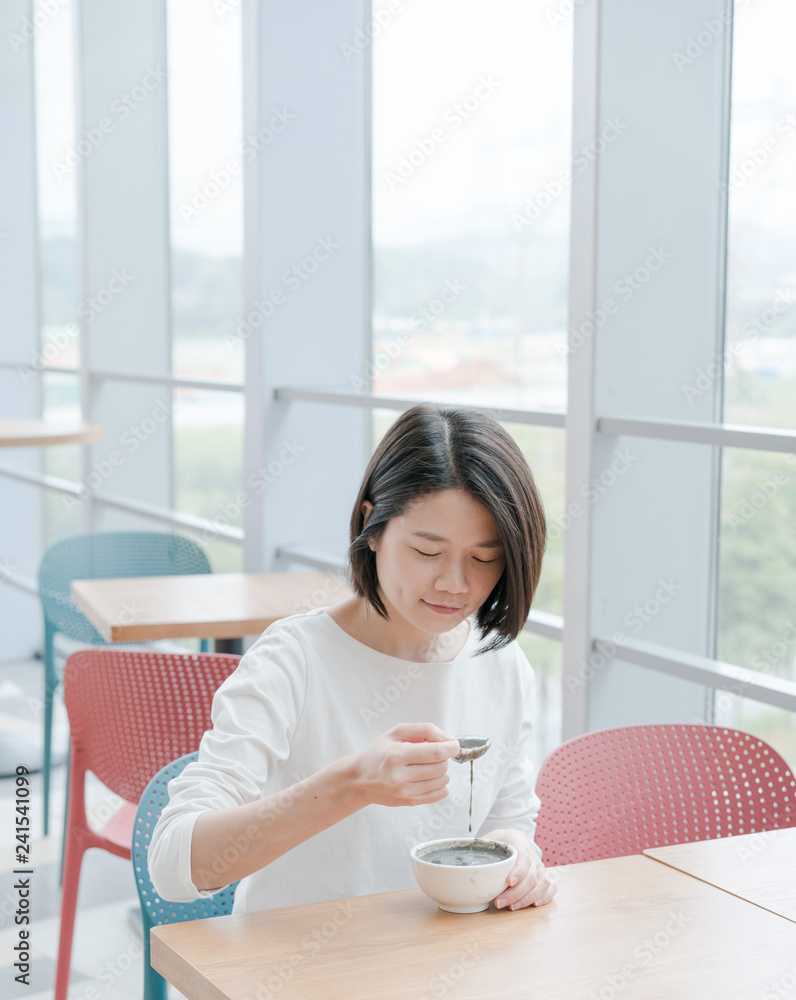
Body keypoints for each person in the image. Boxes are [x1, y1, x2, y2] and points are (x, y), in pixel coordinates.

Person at [149, 403, 557, 913]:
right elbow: (173, 865)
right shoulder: (294, 659)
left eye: (484, 558)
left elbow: (509, 820)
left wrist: (519, 855)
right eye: (428, 552)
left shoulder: (501, 663)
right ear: (373, 524)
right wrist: (352, 784)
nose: (455, 583)